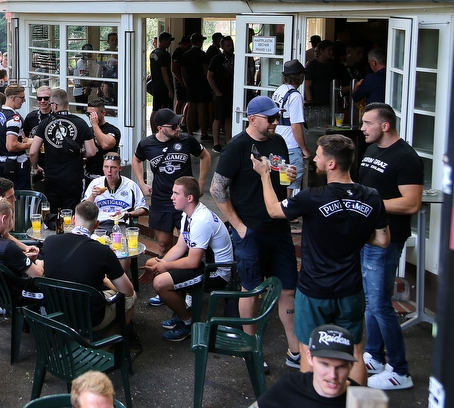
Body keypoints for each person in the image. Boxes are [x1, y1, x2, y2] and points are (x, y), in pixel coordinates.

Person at [251, 134, 388, 384]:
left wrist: (263, 175)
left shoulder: (313, 196)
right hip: (351, 290)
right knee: (354, 351)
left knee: (309, 351)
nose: (314, 158)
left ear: (332, 164)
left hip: (315, 290)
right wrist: (352, 230)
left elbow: (273, 210)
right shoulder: (371, 196)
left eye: (318, 155)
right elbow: (382, 240)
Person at [209, 95, 302, 368]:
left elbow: (282, 178)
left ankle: (294, 348)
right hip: (250, 231)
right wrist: (239, 227)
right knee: (251, 290)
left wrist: (289, 177)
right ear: (253, 119)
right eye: (271, 118)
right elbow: (217, 189)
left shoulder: (279, 141)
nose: (276, 122)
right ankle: (251, 348)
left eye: (277, 117)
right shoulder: (237, 148)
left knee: (288, 288)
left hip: (278, 228)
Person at [358, 102, 423, 391]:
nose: (362, 129)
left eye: (367, 123)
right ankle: (374, 354)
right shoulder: (371, 150)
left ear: (385, 125)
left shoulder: (406, 157)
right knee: (372, 301)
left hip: (388, 239)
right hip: (367, 236)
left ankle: (399, 370)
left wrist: (371, 204)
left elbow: (411, 202)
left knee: (381, 304)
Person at [141, 176, 233, 342]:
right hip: (202, 264)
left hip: (216, 272)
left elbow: (192, 262)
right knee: (151, 263)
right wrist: (160, 264)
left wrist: (165, 267)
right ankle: (182, 311)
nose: (172, 197)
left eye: (176, 193)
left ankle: (187, 322)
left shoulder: (201, 220)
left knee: (160, 282)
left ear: (189, 198)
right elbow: (179, 247)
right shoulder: (188, 214)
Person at [40, 201, 136, 329]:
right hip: (89, 318)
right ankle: (108, 343)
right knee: (132, 297)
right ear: (97, 225)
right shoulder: (103, 251)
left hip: (54, 312)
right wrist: (106, 281)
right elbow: (127, 291)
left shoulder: (50, 241)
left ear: (73, 220)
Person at [133, 108, 210, 261]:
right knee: (163, 244)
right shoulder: (147, 144)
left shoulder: (186, 140)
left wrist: (200, 184)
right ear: (160, 128)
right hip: (161, 199)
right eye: (174, 126)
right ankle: (164, 277)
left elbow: (205, 156)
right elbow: (136, 159)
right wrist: (141, 183)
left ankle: (183, 279)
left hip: (185, 199)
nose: (178, 128)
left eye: (178, 124)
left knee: (189, 243)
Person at [254, 325, 362, 407]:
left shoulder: (363, 399)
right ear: (310, 357)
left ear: (351, 365)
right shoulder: (290, 386)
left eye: (340, 367)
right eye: (324, 364)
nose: (332, 375)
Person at [29, 88, 96, 211]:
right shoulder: (81, 123)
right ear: (67, 104)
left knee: (53, 213)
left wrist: (35, 167)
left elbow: (33, 151)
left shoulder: (45, 123)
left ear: (54, 105)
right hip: (73, 177)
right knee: (72, 213)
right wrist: (79, 154)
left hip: (52, 176)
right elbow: (92, 151)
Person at [0, 197, 44, 302]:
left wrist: (24, 251)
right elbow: (38, 274)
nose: (11, 222)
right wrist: (39, 261)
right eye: (10, 219)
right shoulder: (8, 248)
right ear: (3, 219)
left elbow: (2, 234)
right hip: (16, 294)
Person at [272, 59, 311, 194]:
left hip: (279, 141)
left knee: (281, 180)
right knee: (291, 183)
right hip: (292, 145)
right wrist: (305, 149)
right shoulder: (295, 96)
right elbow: (296, 126)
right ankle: (287, 213)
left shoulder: (279, 90)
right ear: (300, 77)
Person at [83, 153, 147, 231]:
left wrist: (127, 214)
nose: (109, 171)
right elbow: (84, 209)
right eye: (106, 167)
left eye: (113, 167)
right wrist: (92, 196)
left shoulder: (130, 185)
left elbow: (144, 208)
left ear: (120, 168)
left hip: (122, 224)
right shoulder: (95, 184)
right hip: (98, 224)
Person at [0, 85, 34, 189]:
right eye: (22, 97)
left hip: (0, 163)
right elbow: (11, 146)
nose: (24, 100)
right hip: (16, 165)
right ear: (13, 98)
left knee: (6, 195)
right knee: (19, 197)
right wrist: (28, 145)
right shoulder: (14, 118)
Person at [206, 35, 234, 152]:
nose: (231, 48)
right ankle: (216, 143)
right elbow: (209, 75)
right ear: (222, 46)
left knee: (229, 118)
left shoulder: (236, 58)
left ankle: (228, 141)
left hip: (231, 92)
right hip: (220, 94)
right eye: (228, 46)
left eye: (231, 45)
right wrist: (216, 91)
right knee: (218, 118)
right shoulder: (216, 59)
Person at [181, 33, 211, 139]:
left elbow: (183, 72)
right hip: (202, 84)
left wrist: (186, 84)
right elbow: (206, 70)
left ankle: (189, 132)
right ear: (199, 42)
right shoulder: (202, 54)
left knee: (191, 110)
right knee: (202, 110)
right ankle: (203, 133)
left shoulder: (185, 54)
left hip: (190, 84)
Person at [84, 99, 121, 180]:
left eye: (93, 114)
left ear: (103, 113)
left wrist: (94, 124)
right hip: (89, 175)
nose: (90, 117)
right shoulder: (88, 130)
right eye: (88, 114)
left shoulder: (113, 130)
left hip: (107, 176)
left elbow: (105, 144)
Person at [148, 31, 175, 126]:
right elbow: (165, 73)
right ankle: (165, 129)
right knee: (166, 110)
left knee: (155, 109)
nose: (170, 43)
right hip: (163, 87)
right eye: (168, 41)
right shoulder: (164, 54)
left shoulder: (153, 53)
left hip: (155, 86)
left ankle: (153, 131)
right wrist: (170, 89)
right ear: (163, 41)